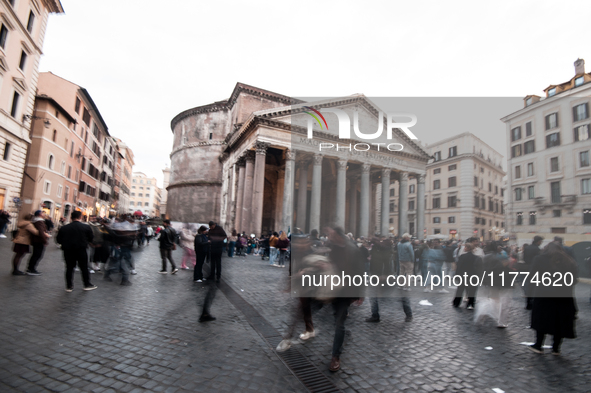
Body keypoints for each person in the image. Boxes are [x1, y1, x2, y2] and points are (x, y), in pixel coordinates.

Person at [528, 242, 578, 354]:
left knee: (542, 320)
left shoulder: (539, 259)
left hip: (544, 294)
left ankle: (538, 345)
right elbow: (574, 280)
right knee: (559, 321)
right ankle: (556, 348)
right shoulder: (569, 261)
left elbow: (532, 276)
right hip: (564, 296)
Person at [56, 211, 97, 292]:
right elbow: (91, 238)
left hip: (68, 250)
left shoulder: (64, 228)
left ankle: (69, 286)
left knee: (69, 268)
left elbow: (58, 240)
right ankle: (86, 284)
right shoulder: (86, 227)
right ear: (80, 217)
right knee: (84, 268)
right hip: (81, 249)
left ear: (71, 217)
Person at [452, 243, 483, 309]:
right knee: (472, 290)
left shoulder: (462, 256)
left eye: (465, 247)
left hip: (463, 275)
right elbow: (479, 268)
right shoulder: (477, 258)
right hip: (473, 276)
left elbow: (459, 267)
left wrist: (457, 275)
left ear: (468, 248)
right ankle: (470, 304)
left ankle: (456, 303)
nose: (464, 248)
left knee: (460, 290)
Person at [523, 236, 544, 309]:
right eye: (541, 241)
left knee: (528, 286)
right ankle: (534, 302)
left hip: (527, 268)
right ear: (538, 241)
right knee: (535, 287)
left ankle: (528, 303)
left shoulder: (527, 248)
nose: (541, 243)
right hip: (536, 270)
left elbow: (524, 258)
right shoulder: (538, 249)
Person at [26, 210, 49, 275]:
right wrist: (44, 240)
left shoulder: (38, 221)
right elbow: (40, 232)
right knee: (37, 255)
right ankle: (31, 269)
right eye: (42, 213)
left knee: (36, 254)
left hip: (37, 240)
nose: (44, 214)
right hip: (39, 241)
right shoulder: (39, 222)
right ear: (39, 214)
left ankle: (31, 268)